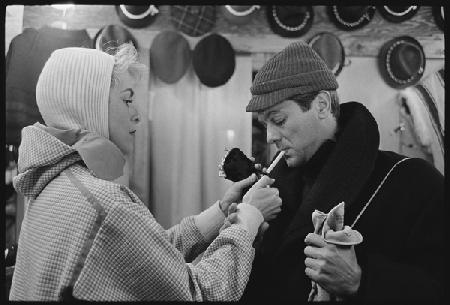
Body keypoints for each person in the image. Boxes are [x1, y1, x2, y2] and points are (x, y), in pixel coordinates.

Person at [9, 43, 282, 301]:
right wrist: (248, 217)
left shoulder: (54, 187)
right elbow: (200, 293)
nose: (138, 114)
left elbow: (149, 259)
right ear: (90, 105)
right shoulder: (105, 205)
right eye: (127, 100)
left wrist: (223, 209)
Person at [240, 41, 444, 302]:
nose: (269, 137)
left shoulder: (412, 182)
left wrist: (362, 279)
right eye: (265, 124)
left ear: (322, 105)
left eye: (278, 120)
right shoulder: (270, 193)